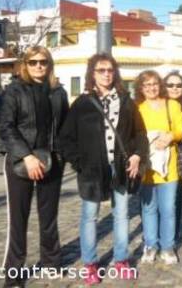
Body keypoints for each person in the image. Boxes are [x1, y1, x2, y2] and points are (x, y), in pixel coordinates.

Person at [59, 53, 148, 284]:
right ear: (92, 74)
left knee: (121, 215)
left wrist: (138, 154)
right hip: (91, 169)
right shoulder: (82, 103)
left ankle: (120, 260)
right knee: (90, 216)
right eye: (101, 70)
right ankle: (90, 264)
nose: (106, 74)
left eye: (110, 70)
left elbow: (140, 132)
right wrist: (80, 163)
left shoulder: (126, 101)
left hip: (120, 167)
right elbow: (66, 139)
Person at [0, 46, 69, 288]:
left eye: (43, 62)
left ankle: (51, 263)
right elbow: (6, 127)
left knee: (49, 217)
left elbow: (64, 129)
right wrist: (27, 156)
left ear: (49, 65)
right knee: (18, 219)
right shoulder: (14, 91)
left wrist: (62, 156)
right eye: (33, 62)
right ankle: (14, 273)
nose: (39, 66)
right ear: (25, 65)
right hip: (21, 162)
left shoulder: (58, 92)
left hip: (52, 162)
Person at [136, 70, 182, 265]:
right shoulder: (138, 109)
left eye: (154, 84)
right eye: (147, 85)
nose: (151, 88)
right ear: (141, 89)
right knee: (148, 210)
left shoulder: (172, 105)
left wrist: (170, 136)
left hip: (169, 169)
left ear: (160, 85)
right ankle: (150, 245)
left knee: (168, 209)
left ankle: (167, 247)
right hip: (147, 169)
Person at [163, 71, 182, 244]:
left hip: (179, 159)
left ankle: (171, 237)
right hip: (158, 157)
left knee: (175, 199)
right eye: (170, 85)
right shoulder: (157, 104)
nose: (175, 88)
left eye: (179, 85)